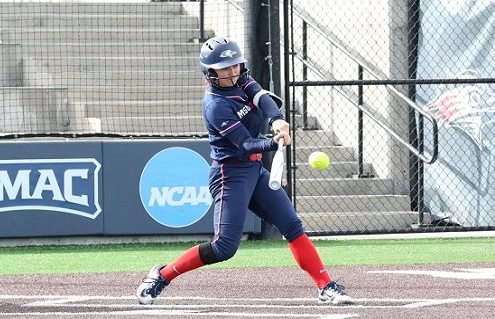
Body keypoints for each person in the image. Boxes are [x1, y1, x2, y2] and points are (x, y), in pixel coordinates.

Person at [136, 36, 353, 305]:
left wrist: (277, 120)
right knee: (224, 248)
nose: (232, 71)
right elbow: (247, 144)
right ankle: (162, 275)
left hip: (253, 171)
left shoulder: (242, 81)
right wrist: (273, 142)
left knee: (293, 227)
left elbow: (264, 99)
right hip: (230, 175)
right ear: (210, 72)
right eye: (224, 68)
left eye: (235, 65)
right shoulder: (215, 106)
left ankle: (326, 286)